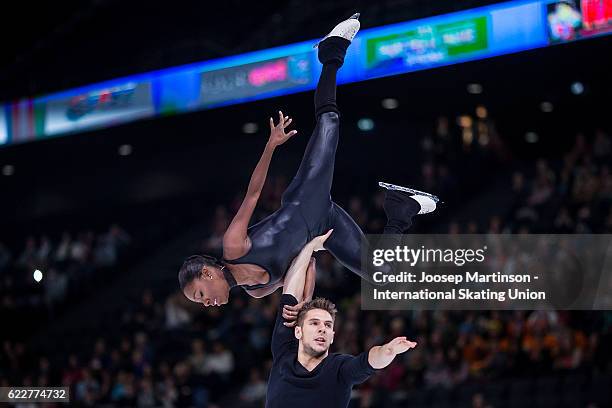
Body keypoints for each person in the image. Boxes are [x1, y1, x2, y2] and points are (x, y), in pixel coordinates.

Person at [179, 13, 438, 307]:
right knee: (384, 275)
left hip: (305, 200)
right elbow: (307, 263)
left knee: (329, 122)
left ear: (207, 273)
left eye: (200, 294)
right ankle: (401, 207)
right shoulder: (257, 290)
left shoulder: (234, 246)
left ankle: (331, 53)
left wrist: (270, 145)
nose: (206, 303)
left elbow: (253, 194)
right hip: (324, 227)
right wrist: (305, 305)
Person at [266, 230, 418, 408]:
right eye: (314, 323)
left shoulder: (339, 369)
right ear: (298, 331)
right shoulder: (284, 351)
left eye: (328, 325)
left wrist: (388, 350)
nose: (322, 328)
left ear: (332, 336)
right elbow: (290, 294)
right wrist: (310, 248)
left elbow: (368, 362)